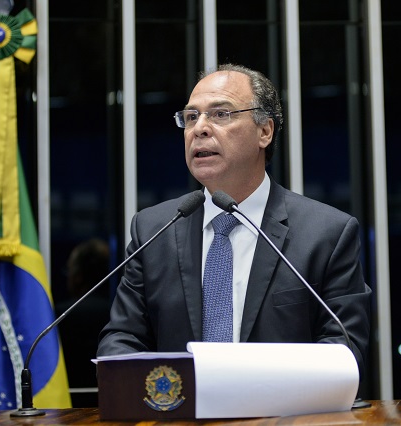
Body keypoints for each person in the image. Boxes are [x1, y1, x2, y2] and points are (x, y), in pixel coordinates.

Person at [97, 64, 372, 374]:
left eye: (220, 114)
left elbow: (343, 348)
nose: (199, 128)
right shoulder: (153, 230)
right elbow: (122, 338)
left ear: (264, 131)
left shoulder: (326, 233)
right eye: (190, 117)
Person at [56, 239, 111, 405]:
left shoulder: (61, 315)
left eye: (69, 270)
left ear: (78, 276)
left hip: (66, 403)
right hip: (112, 400)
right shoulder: (118, 312)